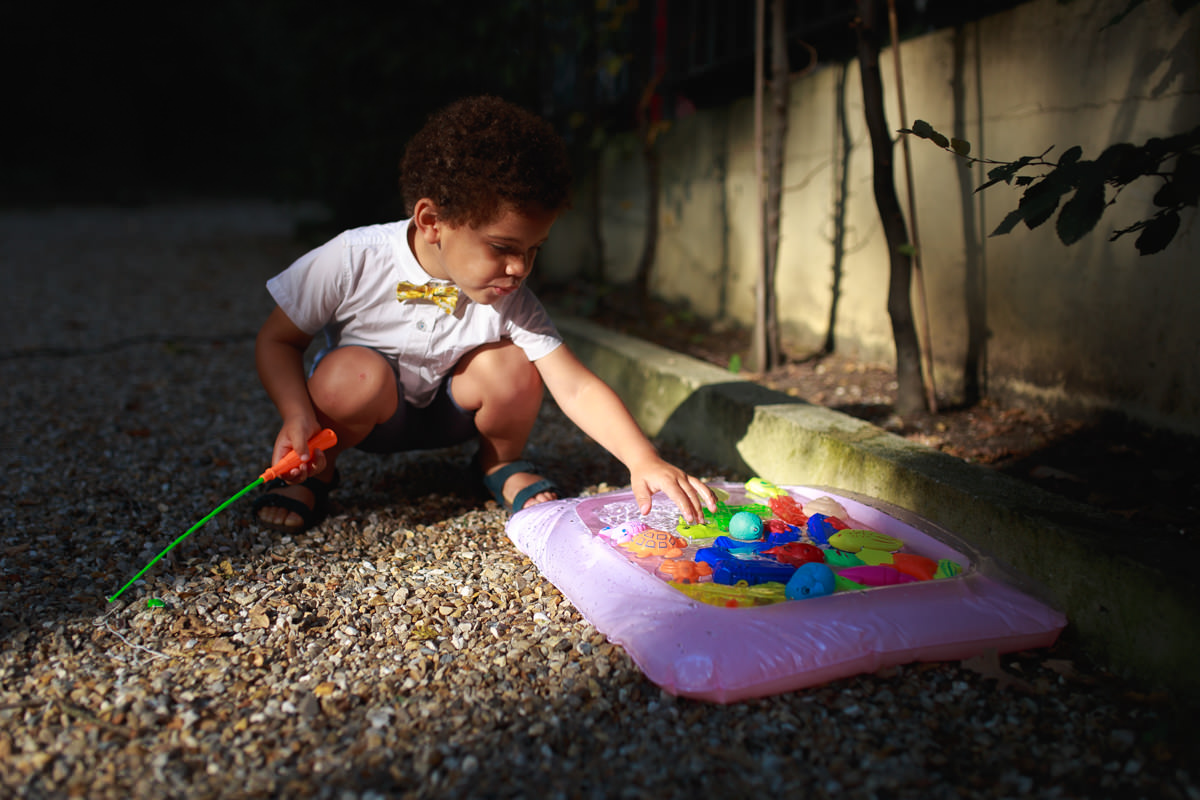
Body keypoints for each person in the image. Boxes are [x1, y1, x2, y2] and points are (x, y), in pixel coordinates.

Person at [252, 95, 716, 533]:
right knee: (348, 374)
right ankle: (313, 467)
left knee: (515, 364)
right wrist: (297, 416)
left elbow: (573, 385)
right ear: (432, 222)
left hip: (451, 413)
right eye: (502, 248)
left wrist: (643, 458)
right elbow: (278, 340)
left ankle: (500, 462)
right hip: (366, 414)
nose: (519, 268)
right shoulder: (353, 258)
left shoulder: (510, 296)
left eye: (534, 250)